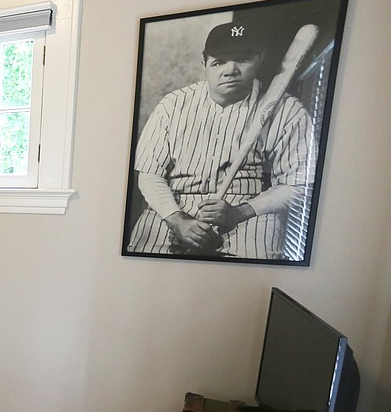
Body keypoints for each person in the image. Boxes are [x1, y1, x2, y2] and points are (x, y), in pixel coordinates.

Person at [126, 21, 314, 259]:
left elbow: (297, 185)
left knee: (249, 280)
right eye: (219, 62)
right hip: (173, 204)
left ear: (260, 59)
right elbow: (149, 175)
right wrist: (177, 219)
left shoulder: (287, 110)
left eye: (243, 59)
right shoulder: (173, 105)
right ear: (204, 63)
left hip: (248, 211)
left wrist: (241, 212)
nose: (230, 70)